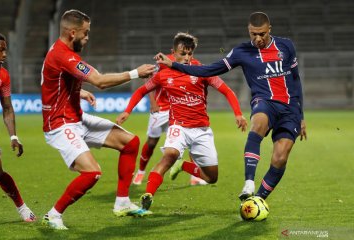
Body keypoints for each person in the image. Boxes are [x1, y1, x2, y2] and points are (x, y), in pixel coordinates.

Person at [155, 12, 307, 201]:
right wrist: (173, 65)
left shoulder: (286, 46)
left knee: (280, 157)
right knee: (258, 123)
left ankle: (258, 199)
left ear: (270, 30)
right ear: (248, 31)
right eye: (253, 34)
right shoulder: (241, 52)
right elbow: (208, 70)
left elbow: (295, 80)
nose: (258, 38)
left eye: (262, 34)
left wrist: (300, 116)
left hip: (290, 108)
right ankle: (249, 182)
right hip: (264, 102)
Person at [40, 9, 155, 230]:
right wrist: (134, 73)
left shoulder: (61, 52)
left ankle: (122, 203)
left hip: (76, 118)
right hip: (60, 125)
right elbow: (100, 81)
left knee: (130, 143)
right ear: (72, 32)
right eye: (85, 32)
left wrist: (77, 93)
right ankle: (53, 214)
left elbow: (49, 81)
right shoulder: (64, 55)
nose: (88, 37)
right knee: (92, 173)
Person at [116, 32, 247, 211]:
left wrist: (238, 114)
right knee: (168, 155)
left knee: (211, 178)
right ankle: (147, 196)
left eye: (189, 54)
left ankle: (183, 165)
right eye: (182, 54)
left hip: (201, 130)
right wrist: (127, 111)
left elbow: (227, 91)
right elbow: (141, 91)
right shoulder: (164, 74)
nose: (186, 58)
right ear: (173, 53)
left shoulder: (202, 71)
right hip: (178, 126)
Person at [132, 55, 207, 186]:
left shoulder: (194, 63)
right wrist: (153, 102)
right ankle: (141, 172)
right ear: (175, 50)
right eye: (183, 50)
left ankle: (194, 176)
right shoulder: (164, 61)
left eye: (189, 51)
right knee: (151, 142)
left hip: (180, 108)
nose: (186, 54)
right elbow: (148, 78)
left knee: (191, 141)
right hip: (161, 109)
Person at [0, 31, 36, 222]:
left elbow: (8, 108)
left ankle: (22, 208)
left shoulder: (3, 75)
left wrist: (13, 136)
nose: (4, 54)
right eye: (0, 50)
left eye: (6, 50)